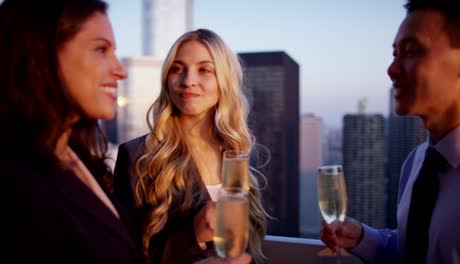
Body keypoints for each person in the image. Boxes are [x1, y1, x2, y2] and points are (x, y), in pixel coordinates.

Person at [1, 1, 251, 263]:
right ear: (39, 58)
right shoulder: (18, 180)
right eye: (101, 49)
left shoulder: (81, 163)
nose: (120, 71)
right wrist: (193, 234)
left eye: (204, 70)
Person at [320, 0, 460, 263]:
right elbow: (414, 252)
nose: (392, 69)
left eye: (411, 51)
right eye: (394, 53)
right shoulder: (417, 162)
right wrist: (361, 237)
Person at [113, 28, 270, 264]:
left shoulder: (238, 153)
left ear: (224, 80)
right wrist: (193, 235)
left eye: (204, 70)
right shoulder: (138, 156)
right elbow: (122, 254)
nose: (188, 81)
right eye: (177, 69)